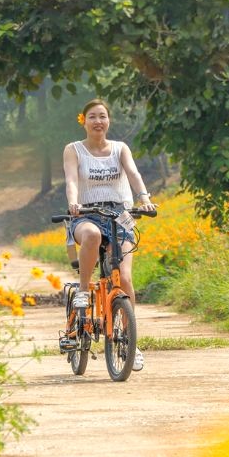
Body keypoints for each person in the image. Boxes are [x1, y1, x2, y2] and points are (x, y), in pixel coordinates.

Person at [63, 98, 156, 371]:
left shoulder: (120, 149)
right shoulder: (74, 150)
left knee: (124, 278)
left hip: (120, 216)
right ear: (84, 121)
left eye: (102, 116)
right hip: (86, 214)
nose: (98, 121)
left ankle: (130, 340)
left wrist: (144, 198)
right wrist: (73, 203)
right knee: (91, 235)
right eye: (92, 116)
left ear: (109, 121)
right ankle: (82, 292)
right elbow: (71, 179)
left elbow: (134, 174)